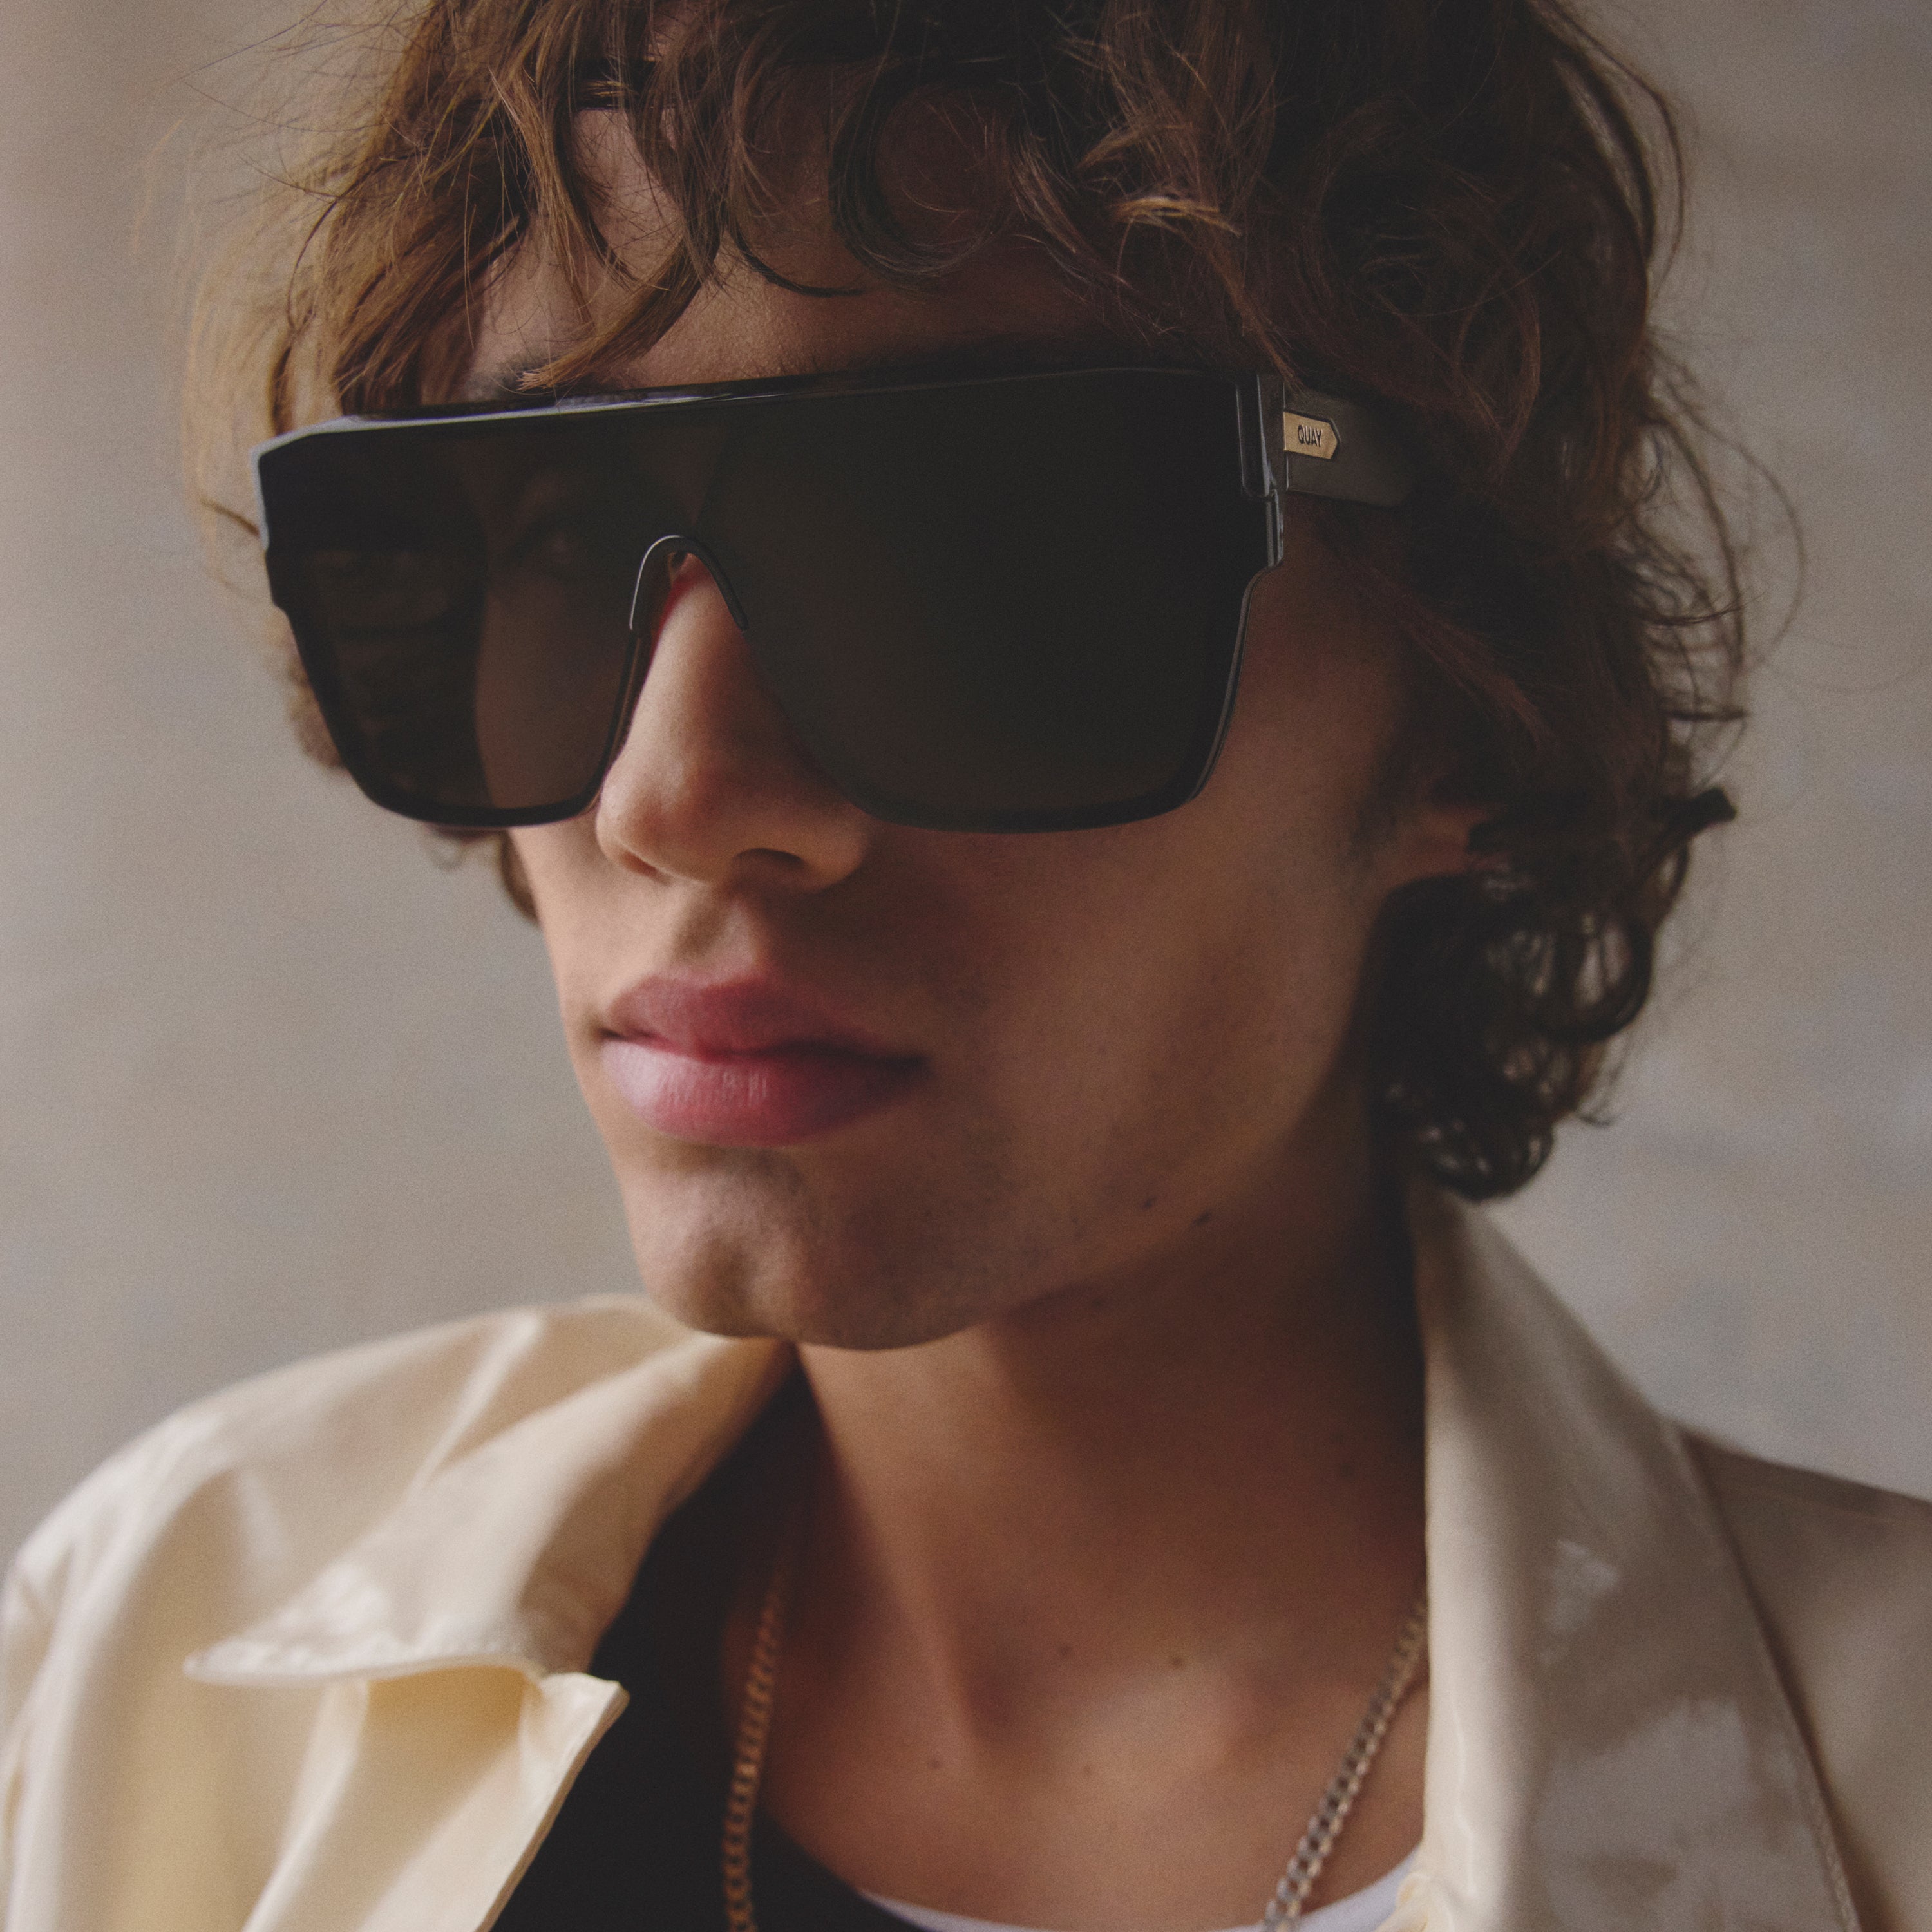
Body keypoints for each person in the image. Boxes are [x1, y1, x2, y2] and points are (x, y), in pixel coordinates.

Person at [3, 1, 1927, 1928]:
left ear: (1469, 699)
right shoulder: (149, 1656)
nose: (675, 793)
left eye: (971, 557)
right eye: (552, 538)